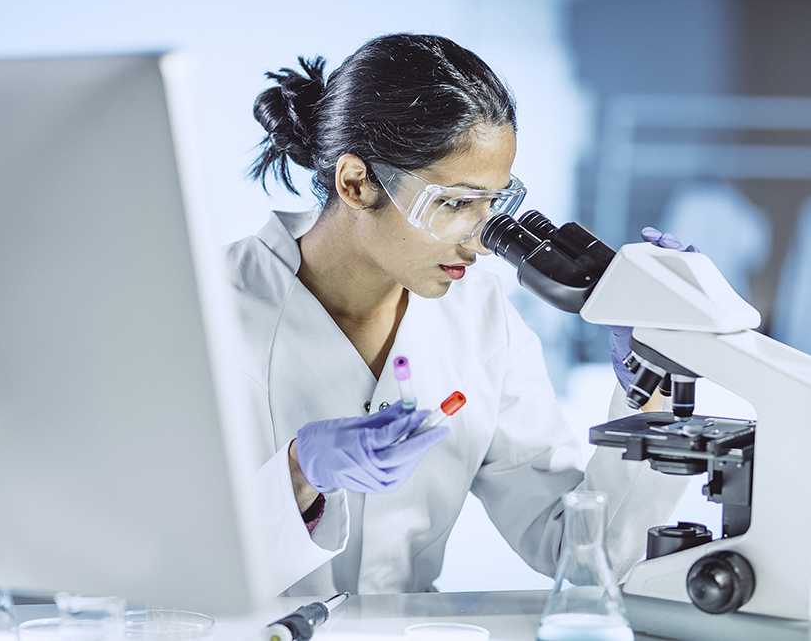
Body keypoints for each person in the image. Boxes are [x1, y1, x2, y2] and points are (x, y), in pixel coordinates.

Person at [227, 33, 688, 597]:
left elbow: (583, 551)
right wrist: (298, 475)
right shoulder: (210, 307)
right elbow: (153, 558)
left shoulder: (482, 318)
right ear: (356, 182)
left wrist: (651, 387)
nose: (483, 242)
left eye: (493, 203)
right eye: (453, 203)